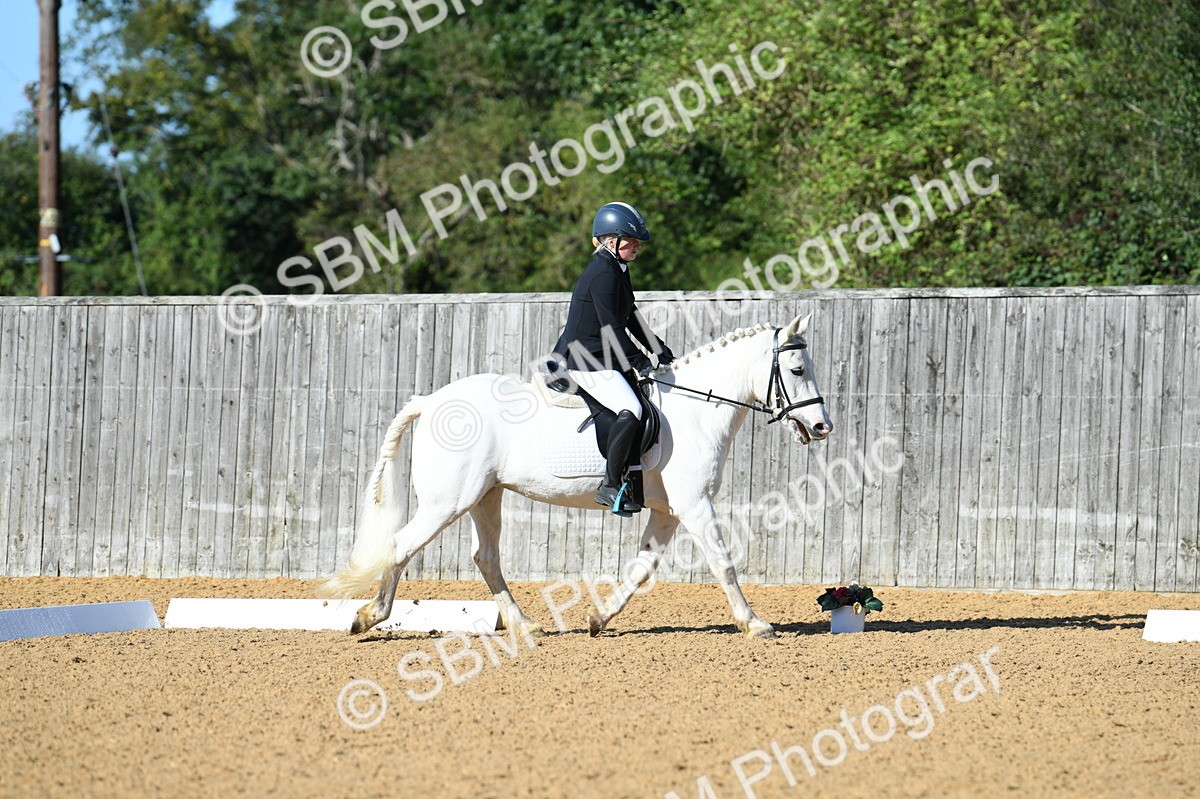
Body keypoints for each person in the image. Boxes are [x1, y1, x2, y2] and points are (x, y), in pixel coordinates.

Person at [552, 202, 675, 514]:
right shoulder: (602, 274)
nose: (636, 247)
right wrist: (640, 360)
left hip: (603, 357)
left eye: (636, 242)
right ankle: (608, 484)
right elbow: (611, 329)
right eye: (631, 241)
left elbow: (629, 315)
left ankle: (632, 487)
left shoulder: (618, 269)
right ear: (611, 241)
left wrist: (657, 347)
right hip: (586, 360)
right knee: (631, 408)